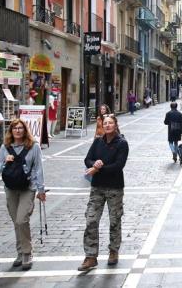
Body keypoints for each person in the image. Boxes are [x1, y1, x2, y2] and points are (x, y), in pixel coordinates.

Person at [79, 114, 129, 271]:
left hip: (114, 187)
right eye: (105, 123)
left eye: (110, 123)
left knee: (115, 221)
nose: (107, 125)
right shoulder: (97, 142)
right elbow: (87, 159)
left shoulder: (122, 143)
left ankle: (113, 251)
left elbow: (118, 166)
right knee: (91, 220)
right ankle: (91, 256)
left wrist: (97, 169)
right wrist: (94, 163)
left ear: (115, 125)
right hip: (97, 188)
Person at [0, 118, 46, 271]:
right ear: (11, 131)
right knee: (16, 221)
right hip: (10, 188)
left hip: (27, 187)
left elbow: (38, 169)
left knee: (22, 219)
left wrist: (41, 190)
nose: (18, 130)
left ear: (25, 130)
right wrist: (5, 162)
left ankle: (27, 253)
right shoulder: (5, 147)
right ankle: (20, 252)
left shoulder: (34, 147)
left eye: (20, 128)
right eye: (15, 128)